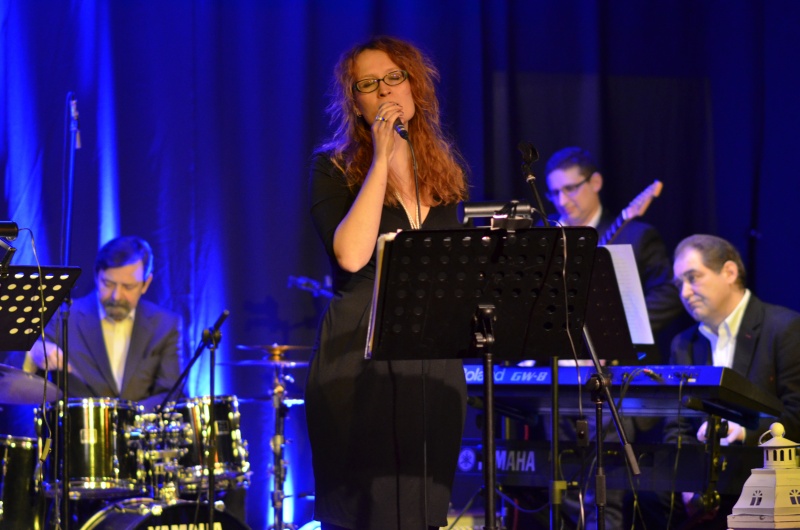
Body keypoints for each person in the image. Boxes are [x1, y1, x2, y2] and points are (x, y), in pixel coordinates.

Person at [306, 36, 469, 530]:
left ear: (414, 86)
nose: (384, 91)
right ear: (355, 103)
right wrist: (380, 159)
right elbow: (352, 255)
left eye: (395, 77)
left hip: (432, 358)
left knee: (424, 512)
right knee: (365, 513)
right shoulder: (334, 168)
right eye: (368, 84)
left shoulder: (441, 174)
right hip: (360, 352)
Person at [638, 234, 800, 529]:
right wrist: (686, 481)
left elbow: (797, 416)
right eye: (679, 284)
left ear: (729, 272)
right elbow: (678, 426)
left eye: (693, 278)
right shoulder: (683, 343)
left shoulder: (784, 329)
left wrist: (743, 431)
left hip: (767, 478)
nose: (685, 292)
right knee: (643, 497)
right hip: (706, 486)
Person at [25, 235, 182, 410]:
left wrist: (129, 415)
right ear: (96, 276)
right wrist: (35, 352)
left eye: (128, 287)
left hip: (141, 425)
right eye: (108, 284)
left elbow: (172, 392)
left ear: (146, 284)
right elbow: (18, 376)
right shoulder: (63, 316)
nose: (116, 296)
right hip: (78, 426)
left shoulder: (165, 324)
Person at [544, 146, 683, 337]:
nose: (562, 201)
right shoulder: (543, 233)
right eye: (554, 193)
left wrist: (619, 330)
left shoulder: (636, 236)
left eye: (570, 189)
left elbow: (669, 292)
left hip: (614, 350)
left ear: (595, 182)